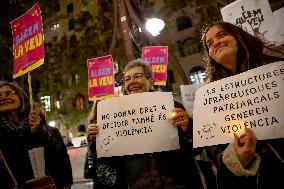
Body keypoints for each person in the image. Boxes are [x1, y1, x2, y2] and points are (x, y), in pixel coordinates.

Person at [87, 59, 217, 189]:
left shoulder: (171, 107)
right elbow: (111, 162)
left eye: (138, 76)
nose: (131, 82)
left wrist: (189, 127)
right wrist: (96, 139)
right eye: (127, 79)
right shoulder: (116, 117)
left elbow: (195, 150)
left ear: (151, 81)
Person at [200, 21, 284, 189]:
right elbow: (215, 149)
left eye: (221, 35)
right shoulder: (210, 96)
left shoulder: (277, 71)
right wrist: (238, 158)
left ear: (238, 36)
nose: (215, 43)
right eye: (209, 43)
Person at [0, 81, 73, 189]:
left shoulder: (47, 130)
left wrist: (38, 132)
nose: (3, 98)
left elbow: (61, 159)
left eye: (9, 93)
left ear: (21, 96)